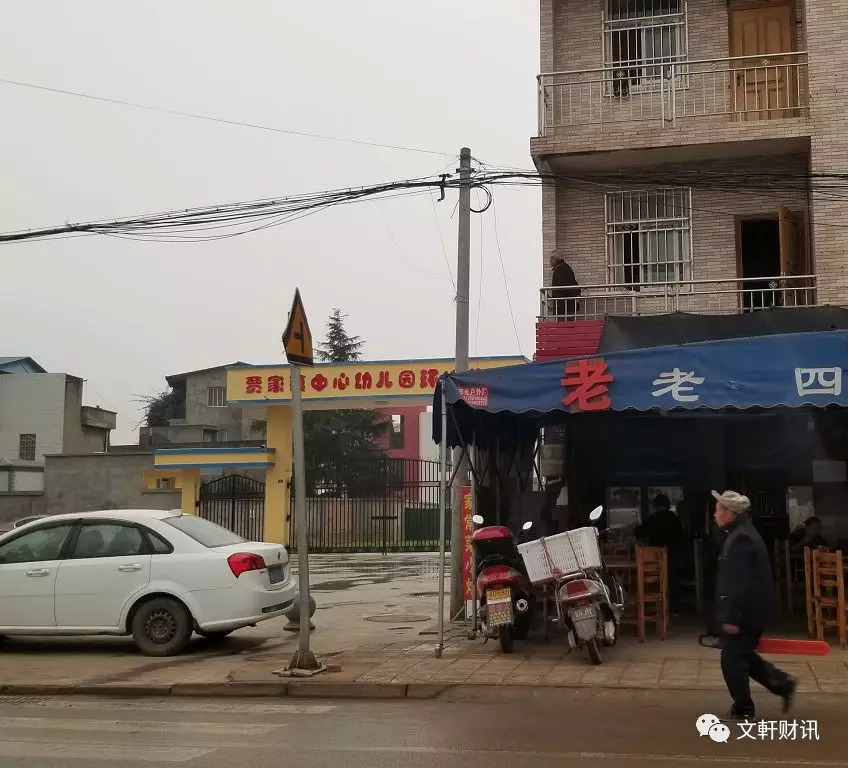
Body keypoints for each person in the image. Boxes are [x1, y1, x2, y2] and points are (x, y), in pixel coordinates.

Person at [712, 490, 796, 720]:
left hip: (747, 613)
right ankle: (782, 683)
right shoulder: (740, 533)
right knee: (742, 655)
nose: (715, 515)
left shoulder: (741, 538)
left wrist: (732, 618)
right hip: (751, 611)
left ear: (730, 512)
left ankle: (744, 708)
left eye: (718, 510)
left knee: (732, 659)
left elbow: (740, 583)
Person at [549, 250, 580, 321]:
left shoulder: (560, 269)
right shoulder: (564, 267)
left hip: (563, 306)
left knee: (564, 324)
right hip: (566, 305)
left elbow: (564, 286)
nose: (550, 260)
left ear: (556, 259)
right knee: (568, 323)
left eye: (551, 258)